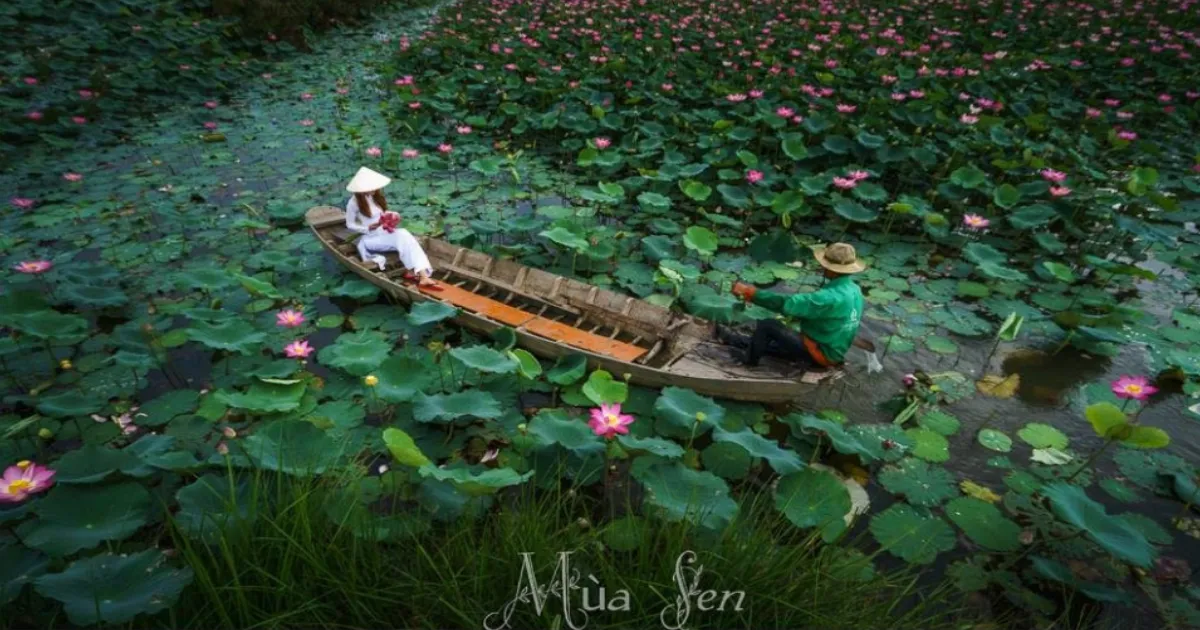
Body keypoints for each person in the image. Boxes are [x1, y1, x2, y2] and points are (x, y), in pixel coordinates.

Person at [724, 242, 865, 369]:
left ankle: (749, 362)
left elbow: (785, 304)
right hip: (834, 350)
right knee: (776, 341)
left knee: (767, 325)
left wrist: (751, 293)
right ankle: (734, 339)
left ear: (830, 268)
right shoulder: (855, 290)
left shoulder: (828, 297)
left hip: (819, 352)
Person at [344, 166, 440, 289]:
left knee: (404, 234)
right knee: (403, 237)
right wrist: (368, 228)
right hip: (370, 239)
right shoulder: (353, 203)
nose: (375, 189)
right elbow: (349, 224)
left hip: (384, 233)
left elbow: (381, 213)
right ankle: (418, 273)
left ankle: (422, 275)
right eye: (372, 187)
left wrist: (392, 215)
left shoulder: (374, 197)